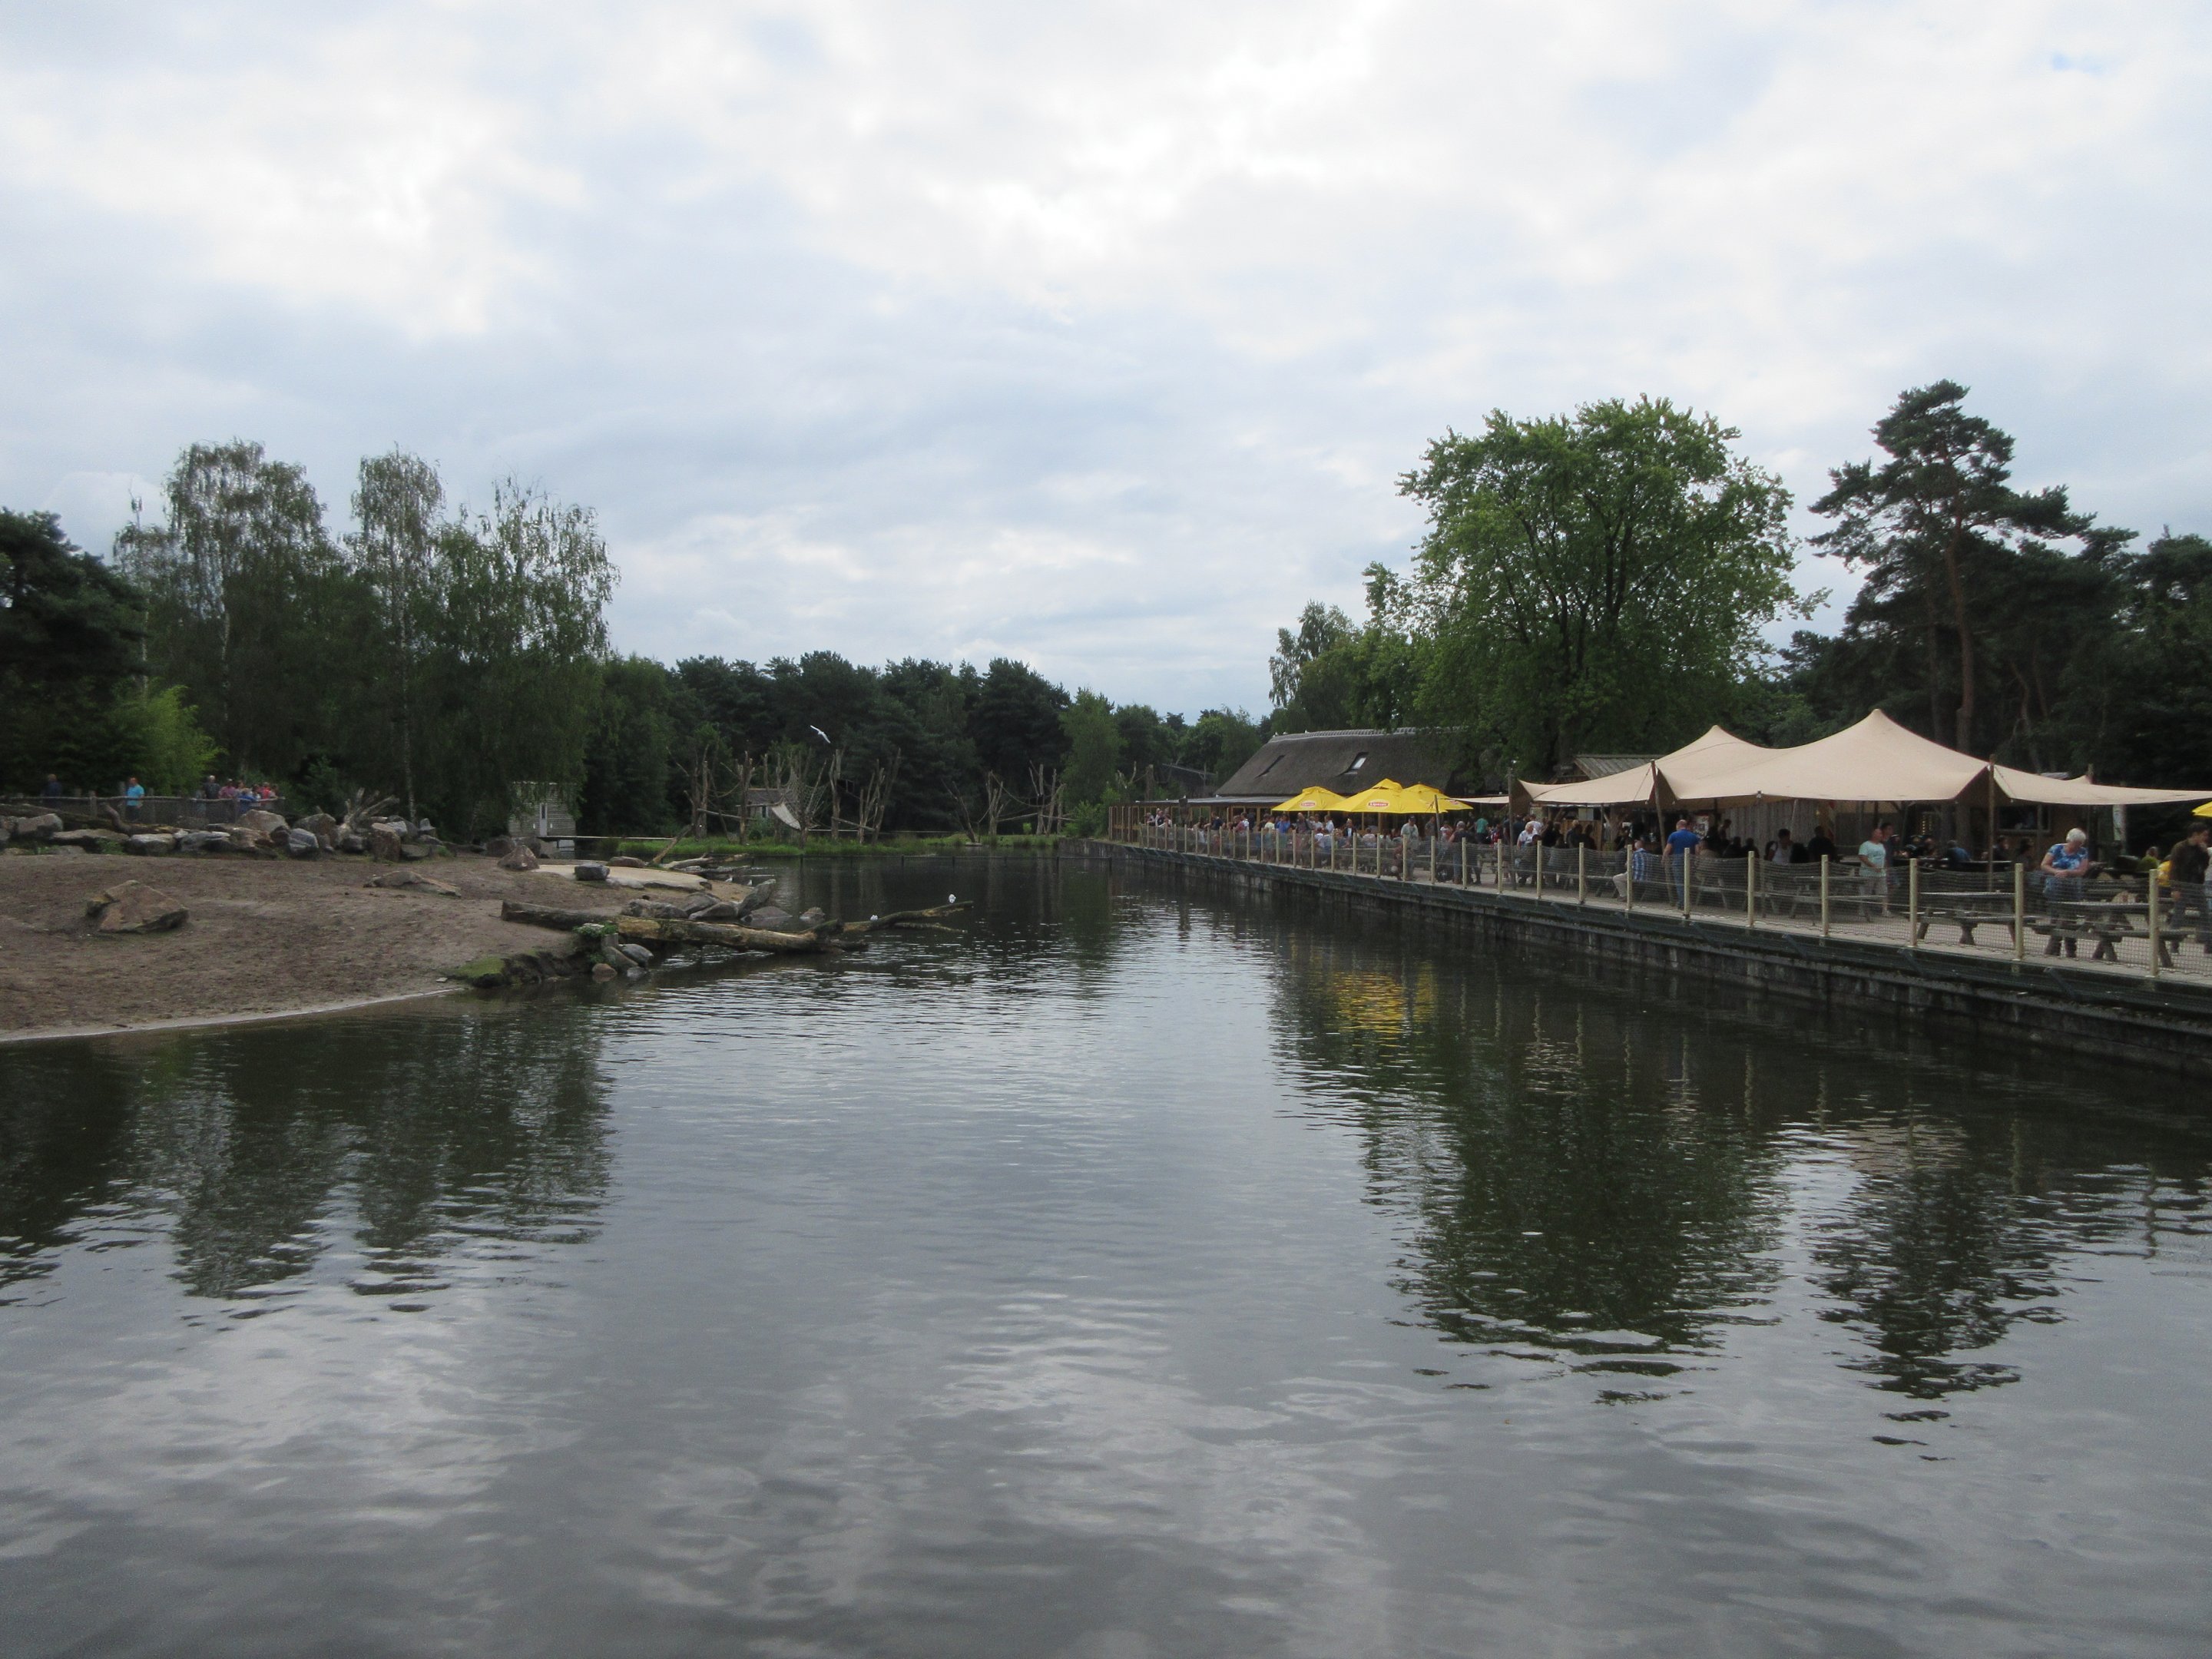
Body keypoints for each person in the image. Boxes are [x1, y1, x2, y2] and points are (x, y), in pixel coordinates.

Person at [2166, 823, 2211, 934]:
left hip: (2196, 885)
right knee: (2179, 914)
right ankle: (2174, 943)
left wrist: (2205, 854)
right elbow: (2174, 869)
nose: (2206, 838)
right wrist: (2175, 888)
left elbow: (2204, 866)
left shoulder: (2200, 849)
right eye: (2204, 835)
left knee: (2205, 913)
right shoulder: (2180, 847)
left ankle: (2209, 944)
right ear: (2195, 835)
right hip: (2183, 885)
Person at [2039, 827, 2094, 911]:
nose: (2078, 846)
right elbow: (2044, 865)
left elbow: (2082, 871)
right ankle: (2054, 917)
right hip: (2055, 881)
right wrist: (2056, 872)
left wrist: (2067, 872)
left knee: (2072, 906)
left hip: (2073, 884)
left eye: (2080, 844)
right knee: (2055, 900)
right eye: (2076, 843)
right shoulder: (2056, 848)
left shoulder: (2083, 852)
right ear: (2069, 840)